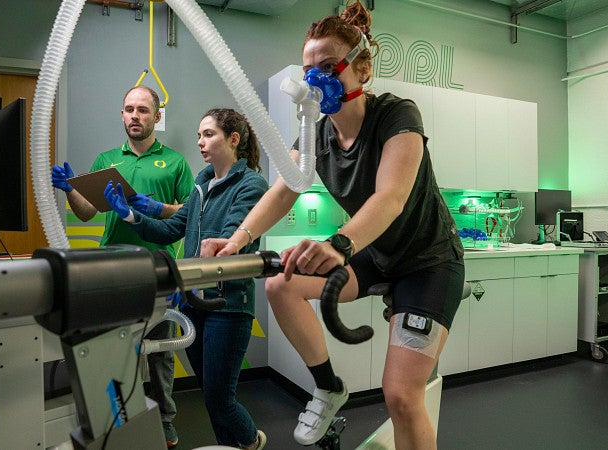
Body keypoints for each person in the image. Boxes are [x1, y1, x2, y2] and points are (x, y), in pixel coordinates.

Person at [199, 2, 465, 449]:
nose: (315, 79)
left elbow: (391, 197)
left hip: (428, 263)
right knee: (280, 284)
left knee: (401, 396)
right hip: (376, 256)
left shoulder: (397, 115)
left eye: (327, 66)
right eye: (309, 70)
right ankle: (328, 385)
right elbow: (284, 189)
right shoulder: (317, 135)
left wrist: (341, 243)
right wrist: (240, 238)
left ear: (360, 68)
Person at [104, 108, 269, 450]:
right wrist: (130, 214)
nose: (200, 142)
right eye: (198, 135)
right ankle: (230, 446)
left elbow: (229, 239)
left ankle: (251, 441)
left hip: (228, 304)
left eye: (208, 134)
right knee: (211, 395)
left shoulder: (251, 185)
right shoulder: (201, 183)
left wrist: (196, 271)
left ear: (233, 139)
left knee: (221, 399)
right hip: (195, 303)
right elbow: (169, 231)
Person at [51, 85, 195, 448]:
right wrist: (69, 189)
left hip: (158, 269)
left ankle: (164, 419)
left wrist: (155, 208)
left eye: (143, 110)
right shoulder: (105, 160)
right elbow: (87, 213)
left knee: (160, 352)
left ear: (156, 117)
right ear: (122, 115)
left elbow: (190, 213)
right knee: (111, 347)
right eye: (129, 109)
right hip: (111, 269)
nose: (135, 116)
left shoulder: (175, 162)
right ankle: (115, 416)